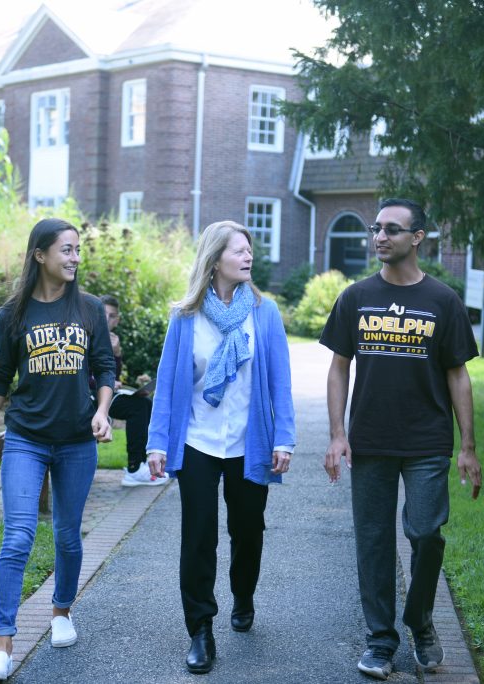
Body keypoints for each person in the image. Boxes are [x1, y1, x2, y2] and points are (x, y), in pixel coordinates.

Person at [320, 198, 483, 680]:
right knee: (372, 542)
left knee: (426, 533)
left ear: (418, 238)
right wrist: (336, 434)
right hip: (370, 440)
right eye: (376, 228)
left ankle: (421, 619)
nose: (380, 236)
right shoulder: (355, 297)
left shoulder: (442, 300)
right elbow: (338, 368)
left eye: (392, 229)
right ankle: (380, 640)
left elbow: (459, 376)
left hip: (427, 440)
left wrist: (467, 446)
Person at [146, 220, 296, 675]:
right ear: (214, 260)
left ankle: (243, 595)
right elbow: (169, 384)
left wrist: (284, 438)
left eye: (250, 250)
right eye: (238, 251)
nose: (248, 257)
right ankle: (200, 629)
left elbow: (279, 380)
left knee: (248, 531)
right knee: (198, 536)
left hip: (247, 443)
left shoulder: (263, 313)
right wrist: (156, 442)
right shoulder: (186, 316)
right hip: (198, 441)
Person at [0, 218, 116, 682]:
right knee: (17, 537)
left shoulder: (90, 309)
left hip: (77, 441)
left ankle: (60, 612)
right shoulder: (13, 314)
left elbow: (105, 367)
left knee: (69, 536)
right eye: (66, 250)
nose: (74, 258)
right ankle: (3, 645)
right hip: (26, 438)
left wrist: (103, 410)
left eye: (78, 250)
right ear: (40, 255)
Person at [98, 294, 169, 487]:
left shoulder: (112, 339)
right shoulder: (89, 336)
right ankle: (134, 467)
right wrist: (103, 382)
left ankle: (143, 462)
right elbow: (82, 372)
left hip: (108, 393)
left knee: (145, 402)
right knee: (137, 407)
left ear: (117, 320)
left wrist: (117, 354)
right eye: (102, 314)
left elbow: (114, 374)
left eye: (111, 316)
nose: (106, 319)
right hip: (91, 396)